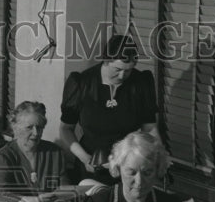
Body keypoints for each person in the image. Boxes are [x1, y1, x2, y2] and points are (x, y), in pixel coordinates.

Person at [58, 34, 158, 184]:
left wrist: (159, 155)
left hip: (128, 164)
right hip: (91, 163)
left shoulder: (141, 82)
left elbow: (149, 128)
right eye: (117, 69)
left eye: (129, 70)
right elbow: (66, 129)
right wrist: (85, 158)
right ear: (106, 60)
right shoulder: (82, 83)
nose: (123, 75)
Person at [0, 101, 73, 202]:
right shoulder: (2, 157)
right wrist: (35, 201)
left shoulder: (54, 152)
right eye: (29, 127)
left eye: (39, 127)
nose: (36, 133)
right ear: (15, 128)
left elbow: (65, 187)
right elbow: (1, 196)